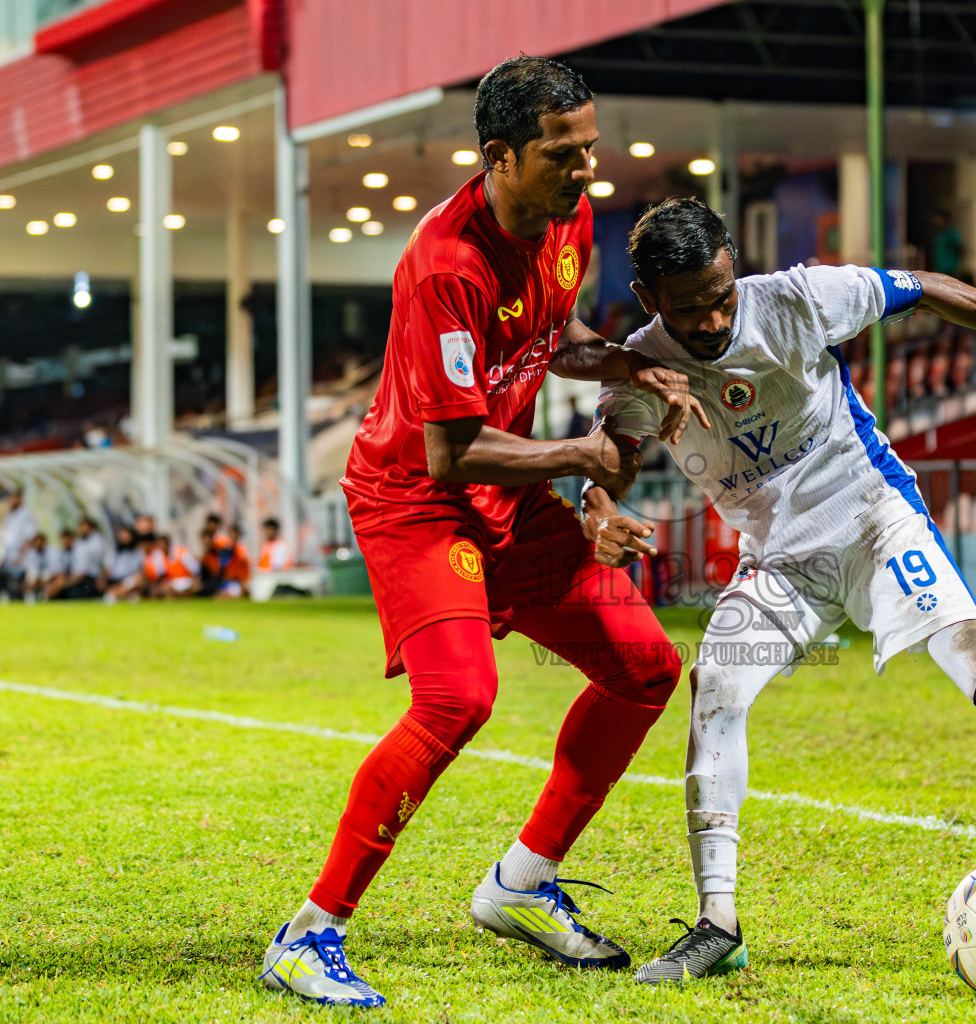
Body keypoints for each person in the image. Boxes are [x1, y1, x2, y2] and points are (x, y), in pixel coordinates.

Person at [587, 198, 976, 984]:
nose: (715, 319)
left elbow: (923, 287)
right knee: (715, 682)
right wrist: (599, 508)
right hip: (780, 562)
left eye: (722, 295)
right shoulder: (640, 367)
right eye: (691, 308)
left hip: (874, 521)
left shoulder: (794, 299)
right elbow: (606, 459)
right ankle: (717, 924)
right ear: (648, 298)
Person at [261, 57, 707, 1008]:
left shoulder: (566, 219)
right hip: (416, 500)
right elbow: (450, 451)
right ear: (499, 156)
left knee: (646, 668)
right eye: (562, 153)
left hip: (508, 493)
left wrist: (629, 367)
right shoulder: (445, 264)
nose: (585, 168)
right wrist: (585, 459)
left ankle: (522, 884)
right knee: (457, 699)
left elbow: (553, 338)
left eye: (589, 147)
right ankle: (309, 934)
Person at [0, 492, 37, 602]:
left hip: (21, 559)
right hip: (9, 557)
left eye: (14, 499)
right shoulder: (9, 516)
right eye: (10, 499)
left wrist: (20, 557)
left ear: (20, 499)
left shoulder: (26, 515)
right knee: (5, 583)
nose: (11, 502)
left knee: (22, 584)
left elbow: (29, 539)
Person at [929, 209, 963, 277]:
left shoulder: (951, 234)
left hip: (949, 268)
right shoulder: (940, 234)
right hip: (939, 267)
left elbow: (960, 248)